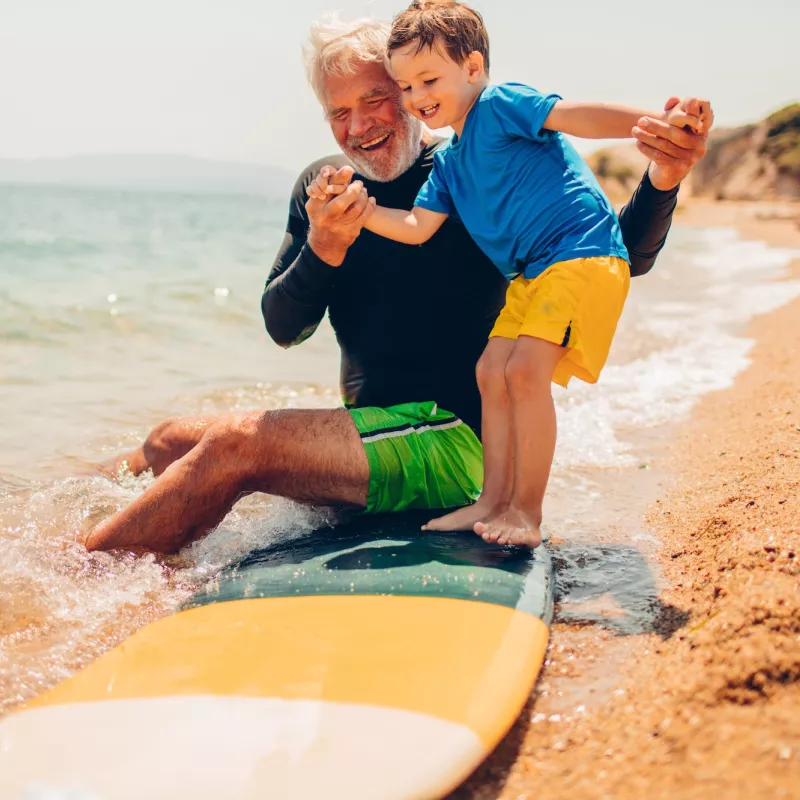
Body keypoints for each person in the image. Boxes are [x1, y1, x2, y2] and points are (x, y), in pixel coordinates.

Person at [82, 16, 713, 555]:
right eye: (338, 111)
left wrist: (663, 176)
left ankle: (78, 569)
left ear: (413, 95)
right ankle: (101, 544)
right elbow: (283, 327)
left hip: (455, 440)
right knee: (166, 441)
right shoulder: (324, 188)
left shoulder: (468, 171)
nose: (358, 126)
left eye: (377, 98)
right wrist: (323, 248)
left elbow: (614, 255)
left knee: (237, 444)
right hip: (376, 432)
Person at [307, 0, 711, 548]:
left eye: (429, 80)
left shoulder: (500, 105)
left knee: (523, 373)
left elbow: (575, 117)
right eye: (404, 87)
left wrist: (654, 126)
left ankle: (527, 513)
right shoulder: (449, 163)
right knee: (490, 369)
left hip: (580, 253)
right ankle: (491, 500)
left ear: (472, 68)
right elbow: (416, 226)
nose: (418, 98)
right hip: (532, 276)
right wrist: (359, 211)